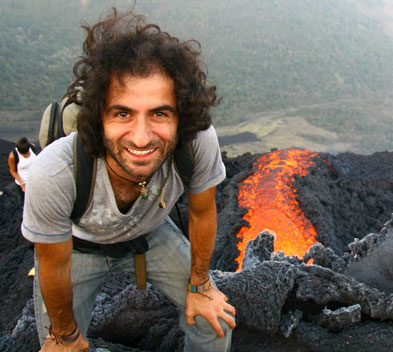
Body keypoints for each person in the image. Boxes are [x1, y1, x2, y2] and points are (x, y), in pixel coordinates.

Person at [21, 9, 236, 352]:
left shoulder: (197, 142)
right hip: (79, 247)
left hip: (149, 235)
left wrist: (201, 286)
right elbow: (52, 262)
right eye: (122, 113)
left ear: (183, 116)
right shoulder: (56, 172)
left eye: (159, 113)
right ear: (98, 116)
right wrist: (64, 335)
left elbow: (202, 212)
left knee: (216, 318)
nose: (140, 137)